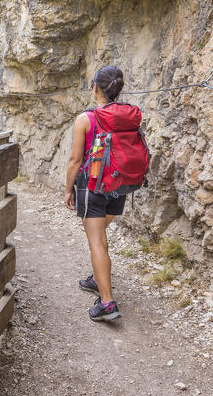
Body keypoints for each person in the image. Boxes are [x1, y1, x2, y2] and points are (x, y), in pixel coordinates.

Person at [64, 66, 128, 322]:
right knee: (101, 236)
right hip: (119, 186)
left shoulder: (85, 119)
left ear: (96, 87)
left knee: (96, 242)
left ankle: (107, 303)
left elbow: (75, 160)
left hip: (93, 187)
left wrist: (68, 189)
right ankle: (96, 278)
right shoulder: (128, 115)